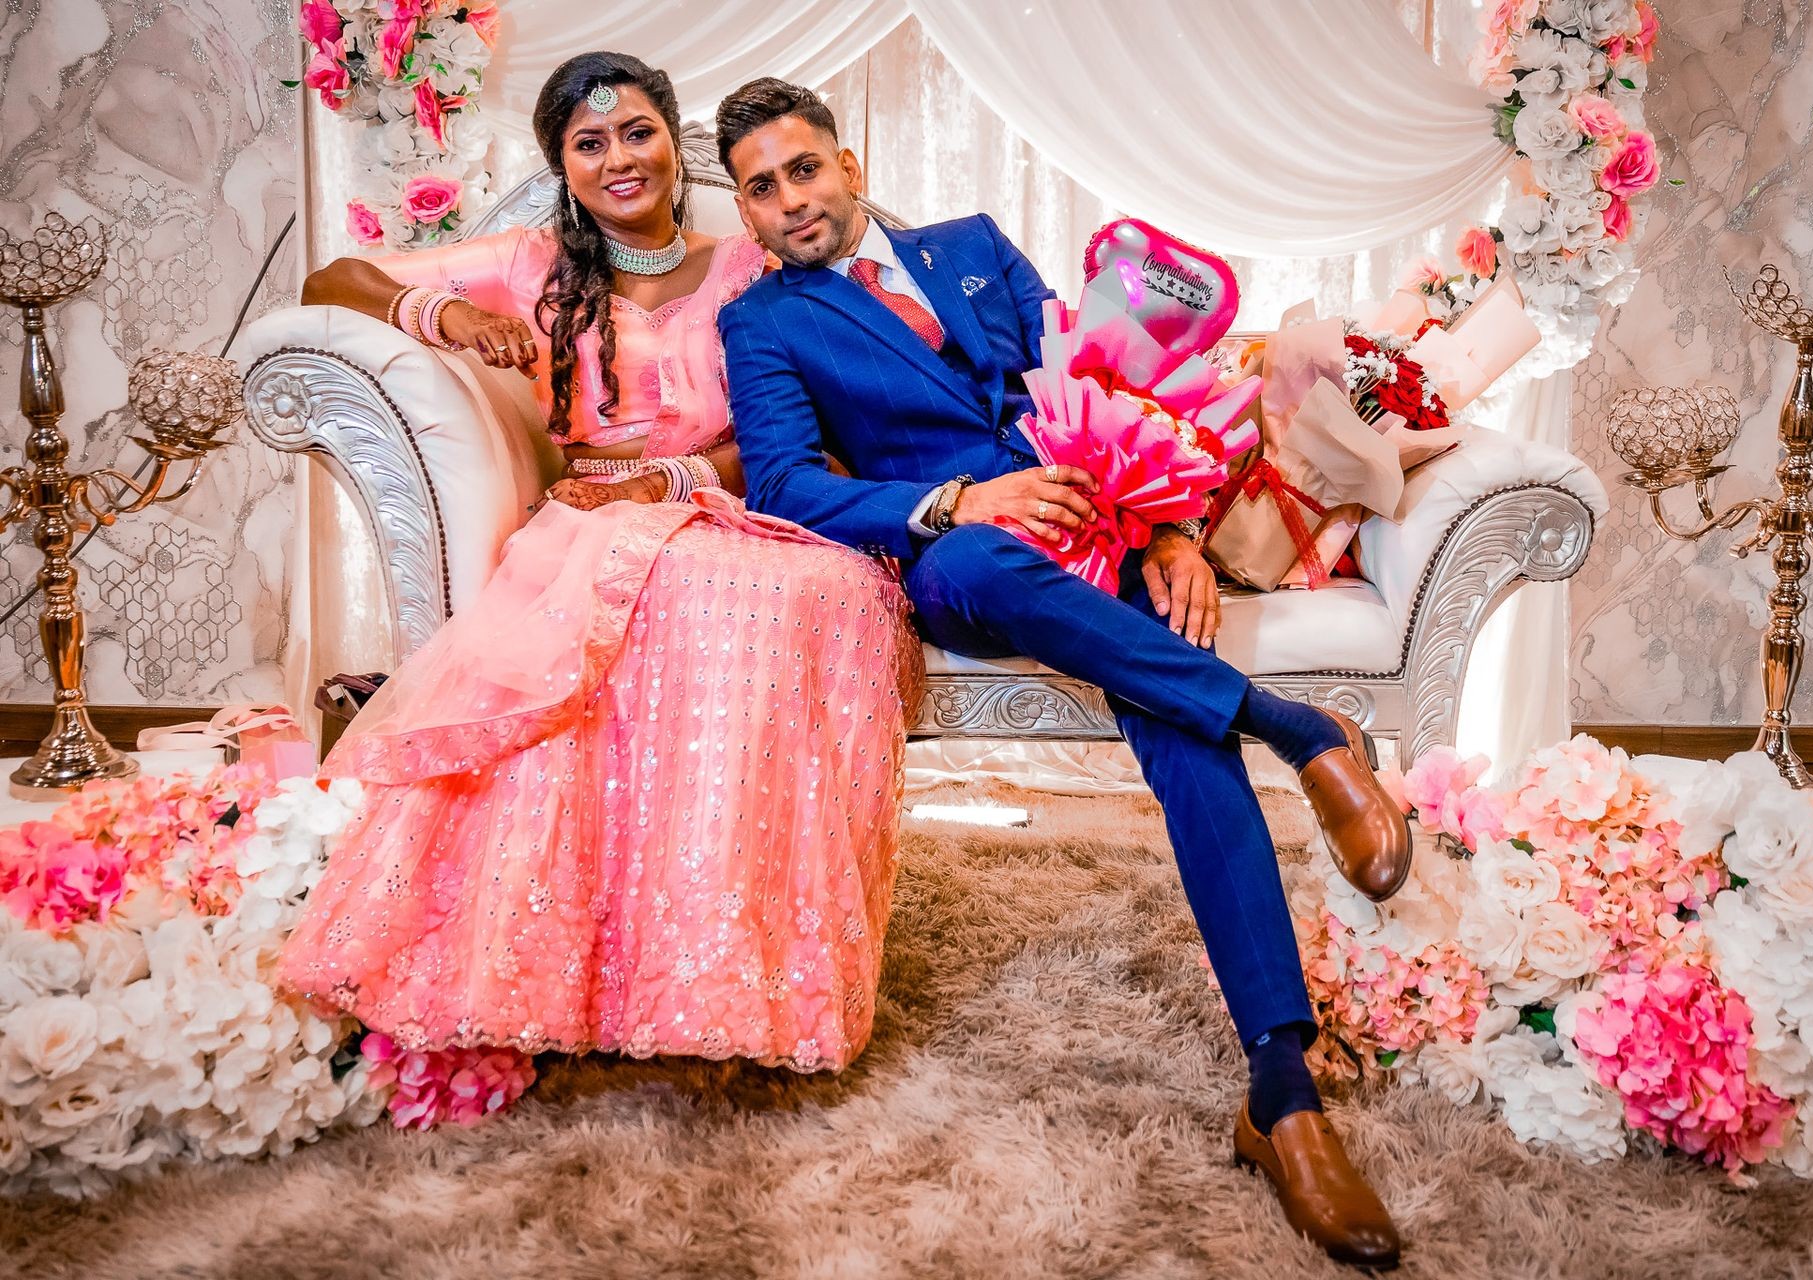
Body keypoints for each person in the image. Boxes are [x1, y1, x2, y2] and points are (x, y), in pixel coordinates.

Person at [715, 78, 1410, 1269]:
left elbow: (1102, 381)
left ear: (849, 161)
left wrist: (1168, 530)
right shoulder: (764, 323)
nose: (790, 201)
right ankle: (1297, 727)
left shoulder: (971, 245)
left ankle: (1282, 1093)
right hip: (961, 562)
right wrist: (954, 499)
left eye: (804, 170)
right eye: (761, 188)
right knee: (983, 558)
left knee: (1179, 722)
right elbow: (783, 484)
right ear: (746, 211)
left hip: (1110, 529)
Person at [277, 54, 922, 1076]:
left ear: (675, 142)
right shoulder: (531, 263)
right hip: (588, 520)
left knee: (837, 591)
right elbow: (331, 279)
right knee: (665, 595)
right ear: (564, 166)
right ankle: (570, 959)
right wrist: (443, 314)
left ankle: (730, 960)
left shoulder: (749, 269)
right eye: (589, 144)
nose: (618, 159)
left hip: (730, 505)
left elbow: (794, 428)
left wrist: (667, 484)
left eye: (636, 134)